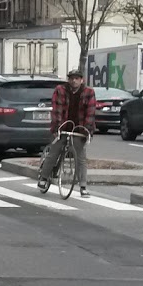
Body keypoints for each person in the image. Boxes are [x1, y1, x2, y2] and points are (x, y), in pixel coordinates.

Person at [38, 69, 97, 197]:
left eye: (77, 78)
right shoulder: (61, 90)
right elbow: (57, 110)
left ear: (82, 80)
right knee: (54, 151)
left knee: (80, 157)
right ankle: (43, 178)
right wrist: (57, 128)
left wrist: (87, 130)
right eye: (71, 78)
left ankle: (83, 186)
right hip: (63, 126)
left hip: (79, 128)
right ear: (68, 80)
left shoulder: (89, 92)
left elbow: (90, 113)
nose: (74, 80)